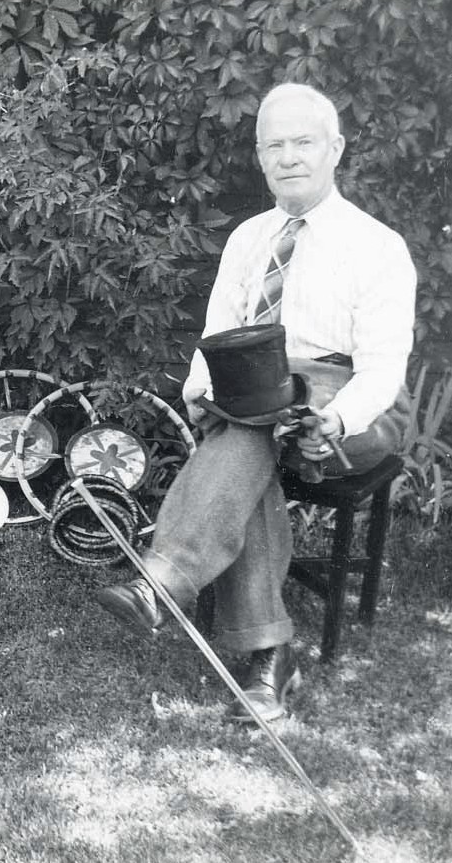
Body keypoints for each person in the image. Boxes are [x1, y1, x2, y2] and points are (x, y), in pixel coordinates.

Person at [93, 82, 416, 723]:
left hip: (354, 404)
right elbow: (218, 336)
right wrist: (199, 391)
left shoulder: (378, 245)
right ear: (260, 157)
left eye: (304, 142)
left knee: (253, 425)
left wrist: (337, 418)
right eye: (276, 145)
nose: (290, 156)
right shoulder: (248, 238)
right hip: (261, 405)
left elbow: (382, 371)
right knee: (253, 431)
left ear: (336, 150)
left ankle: (165, 579)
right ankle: (269, 661)